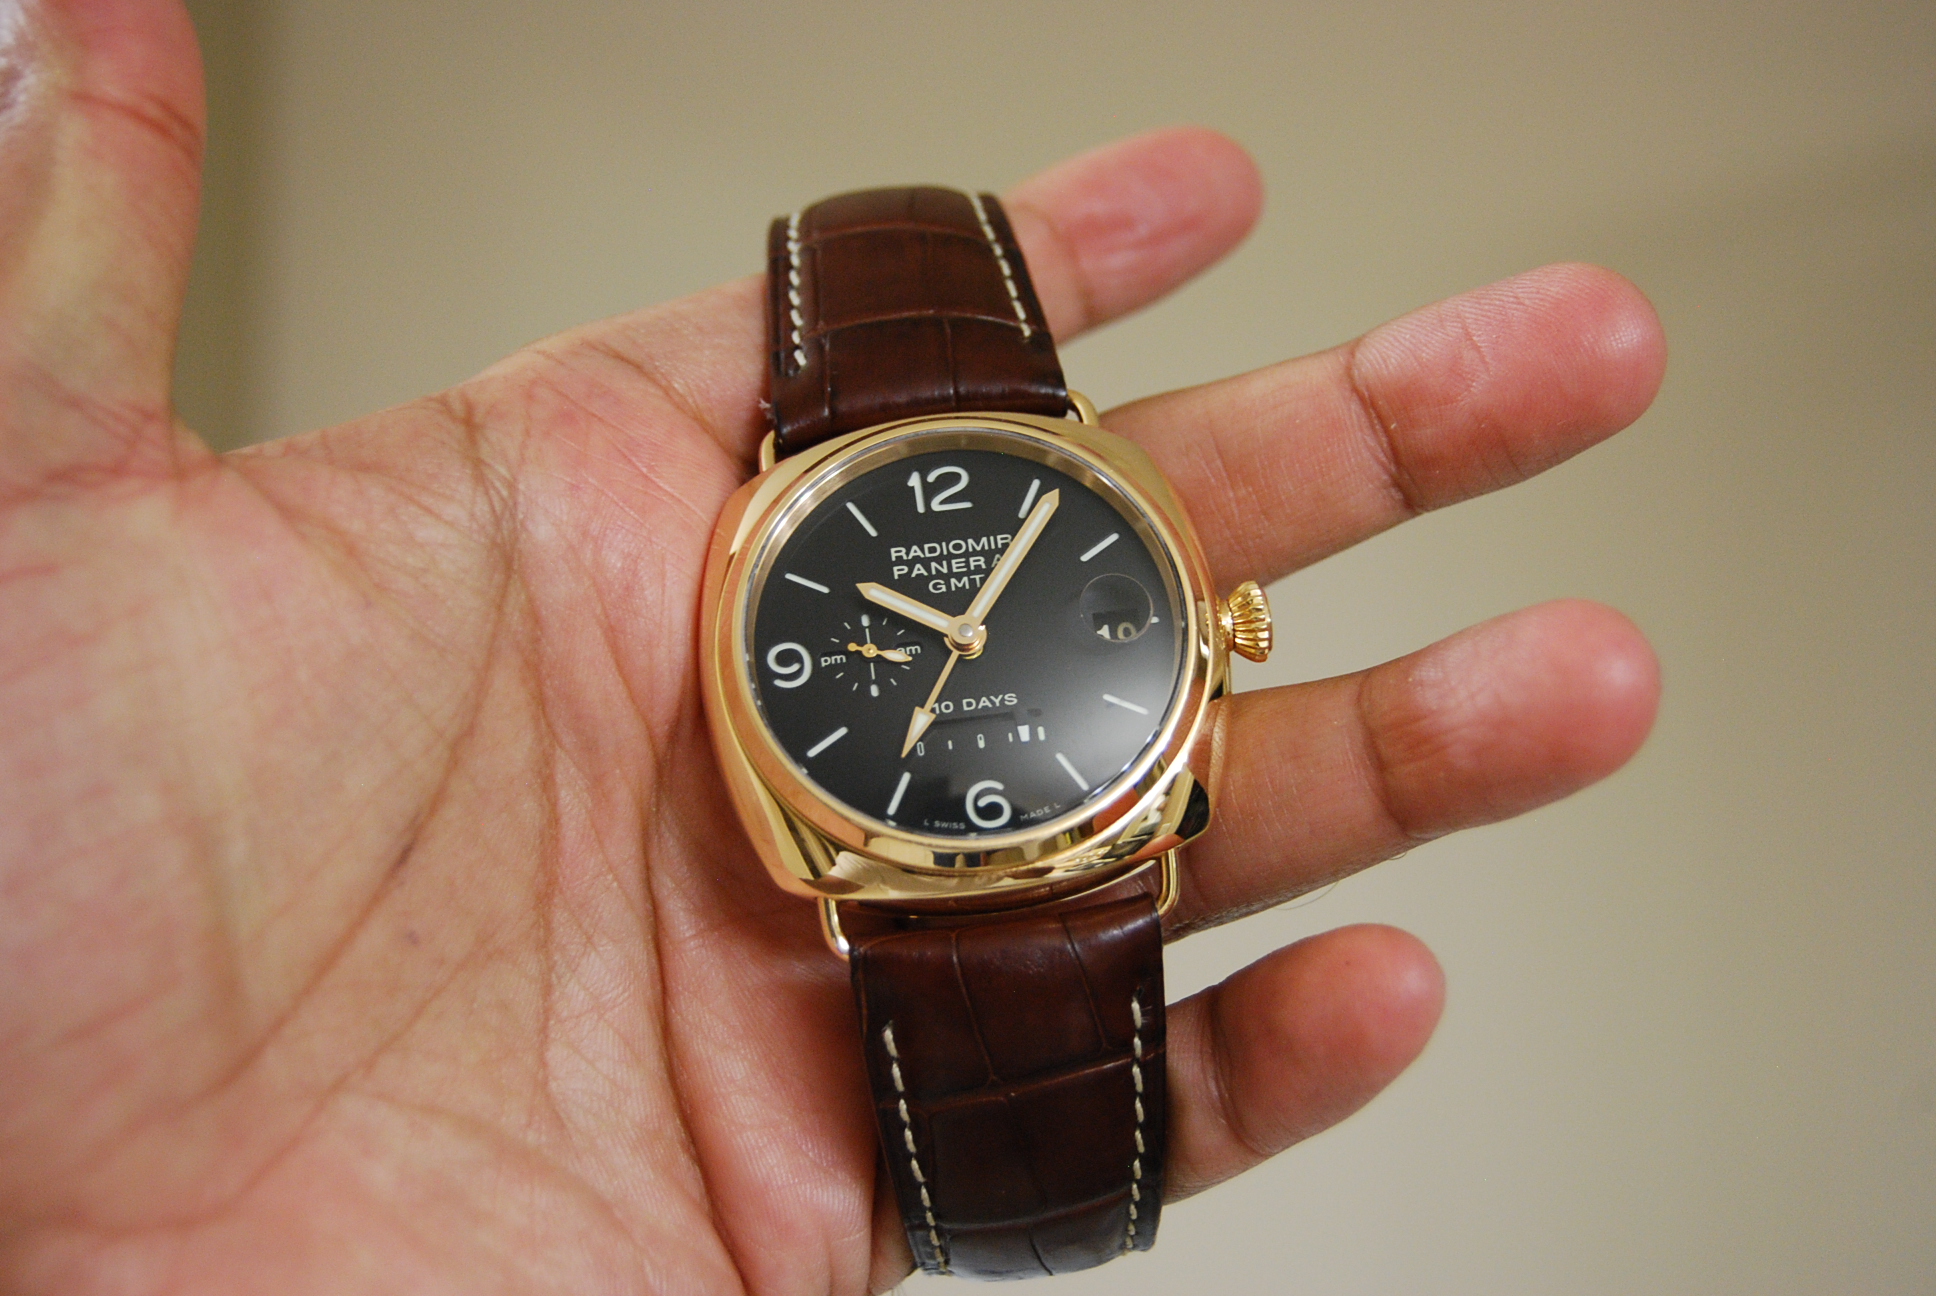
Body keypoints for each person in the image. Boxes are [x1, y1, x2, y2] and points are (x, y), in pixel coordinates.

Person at [0, 2, 1665, 1290]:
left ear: (1207, 632)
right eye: (943, 612)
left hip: (1054, 830)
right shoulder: (786, 543)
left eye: (980, 608)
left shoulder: (1052, 582)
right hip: (905, 859)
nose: (967, 622)